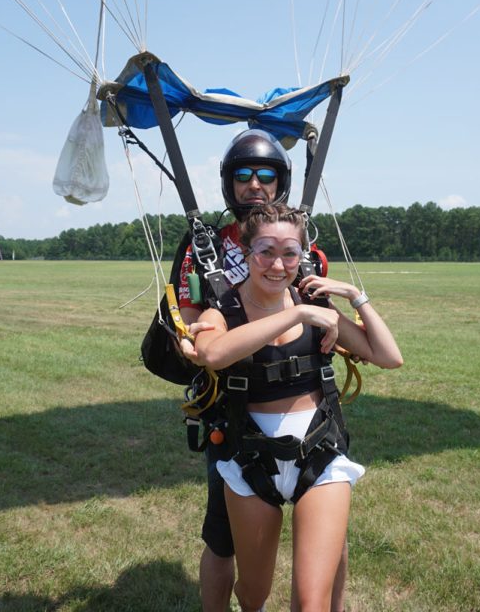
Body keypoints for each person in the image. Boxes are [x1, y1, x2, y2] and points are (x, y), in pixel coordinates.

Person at [192, 203, 403, 611]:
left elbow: (389, 356)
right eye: (266, 251)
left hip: (319, 456)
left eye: (290, 252)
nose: (278, 264)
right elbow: (213, 354)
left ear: (302, 254)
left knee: (312, 602)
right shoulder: (225, 311)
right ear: (246, 251)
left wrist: (355, 296)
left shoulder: (320, 307)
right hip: (253, 463)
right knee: (253, 595)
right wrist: (300, 312)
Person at [176, 130, 348, 611]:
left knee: (331, 538)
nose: (255, 185)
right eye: (244, 175)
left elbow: (320, 311)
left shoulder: (302, 247)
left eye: (266, 175)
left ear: (281, 183)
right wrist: (201, 335)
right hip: (233, 407)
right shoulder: (201, 249)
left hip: (303, 400)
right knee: (224, 537)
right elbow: (188, 322)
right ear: (229, 183)